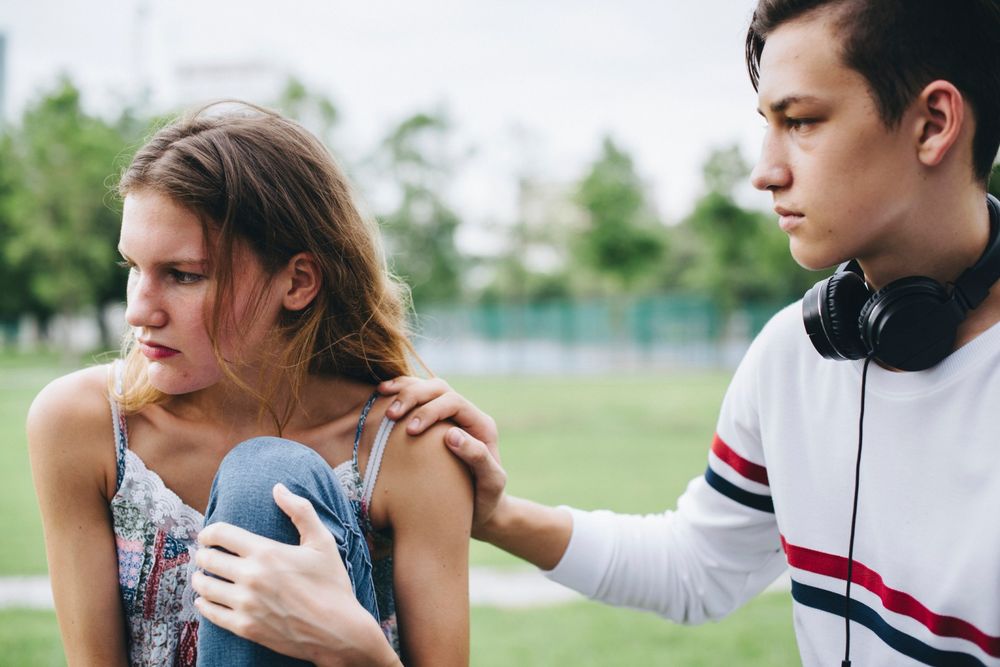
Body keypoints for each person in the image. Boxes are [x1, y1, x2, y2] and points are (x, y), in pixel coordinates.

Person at [192, 1, 1000, 665]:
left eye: (802, 122)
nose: (765, 169)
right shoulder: (795, 353)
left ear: (933, 123)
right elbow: (698, 567)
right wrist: (497, 512)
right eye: (766, 123)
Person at [27, 103, 472, 666]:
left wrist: (359, 652)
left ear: (298, 281)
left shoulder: (407, 446)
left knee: (266, 477)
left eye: (183, 275)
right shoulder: (83, 424)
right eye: (133, 268)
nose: (138, 311)